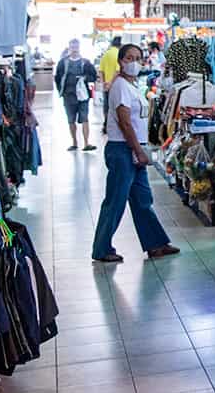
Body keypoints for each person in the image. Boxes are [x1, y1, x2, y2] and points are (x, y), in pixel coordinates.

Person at [91, 44, 179, 263]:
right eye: (129, 58)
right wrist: (138, 151)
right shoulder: (120, 86)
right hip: (123, 149)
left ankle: (156, 243)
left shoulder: (132, 86)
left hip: (133, 148)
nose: (134, 62)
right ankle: (101, 249)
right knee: (116, 200)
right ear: (121, 61)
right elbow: (125, 122)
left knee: (142, 199)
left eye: (138, 58)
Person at [54, 39, 98, 152]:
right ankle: (74, 142)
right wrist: (61, 90)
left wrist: (85, 80)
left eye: (76, 46)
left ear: (79, 47)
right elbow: (57, 77)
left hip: (83, 95)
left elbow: (93, 76)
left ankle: (87, 143)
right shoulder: (63, 63)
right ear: (69, 47)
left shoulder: (86, 62)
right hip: (68, 95)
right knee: (71, 119)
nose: (74, 48)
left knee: (84, 118)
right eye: (72, 46)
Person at [99, 36, 121, 134]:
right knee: (116, 107)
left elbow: (101, 71)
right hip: (115, 85)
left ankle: (106, 125)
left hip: (106, 86)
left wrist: (105, 83)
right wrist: (111, 83)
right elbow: (117, 71)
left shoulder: (106, 54)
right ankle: (114, 126)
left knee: (106, 106)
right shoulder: (118, 54)